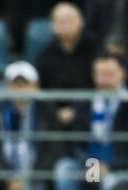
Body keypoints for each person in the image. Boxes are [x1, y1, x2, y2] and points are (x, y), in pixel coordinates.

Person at [52, 49, 128, 190]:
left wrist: (110, 167)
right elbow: (75, 143)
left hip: (120, 167)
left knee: (111, 183)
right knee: (64, 168)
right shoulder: (84, 104)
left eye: (109, 74)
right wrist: (92, 166)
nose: (103, 80)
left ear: (123, 73)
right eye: (99, 74)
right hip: (88, 164)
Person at [0, 60, 58, 190]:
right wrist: (9, 179)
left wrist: (28, 180)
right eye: (15, 84)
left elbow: (51, 152)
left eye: (25, 84)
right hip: (6, 179)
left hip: (37, 176)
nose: (20, 89)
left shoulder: (47, 112)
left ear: (36, 87)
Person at [36, 2, 96, 137]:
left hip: (90, 112)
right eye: (60, 21)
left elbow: (102, 84)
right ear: (53, 25)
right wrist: (55, 112)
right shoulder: (45, 55)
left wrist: (78, 110)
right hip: (55, 117)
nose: (65, 25)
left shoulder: (95, 49)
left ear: (81, 21)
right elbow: (41, 90)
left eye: (69, 20)